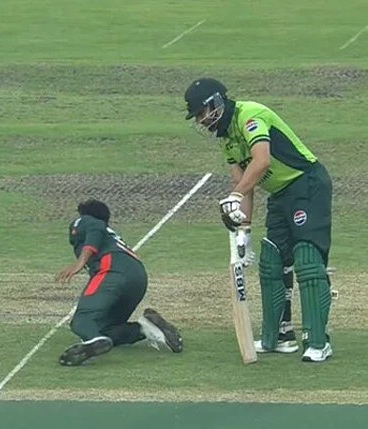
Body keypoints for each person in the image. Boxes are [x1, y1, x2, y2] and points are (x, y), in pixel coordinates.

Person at [184, 77, 334, 362]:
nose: (201, 120)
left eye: (202, 113)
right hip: (279, 193)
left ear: (216, 103)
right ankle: (278, 336)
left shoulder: (250, 115)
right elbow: (243, 185)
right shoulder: (227, 140)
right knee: (271, 260)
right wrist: (244, 231)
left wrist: (235, 195)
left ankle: (318, 341)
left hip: (307, 184)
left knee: (307, 258)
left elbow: (261, 161)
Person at [55, 199, 183, 366]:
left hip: (112, 270)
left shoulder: (86, 220)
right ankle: (146, 328)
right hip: (138, 276)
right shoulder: (111, 235)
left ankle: (93, 340)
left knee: (82, 320)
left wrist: (81, 262)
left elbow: (95, 226)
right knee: (105, 330)